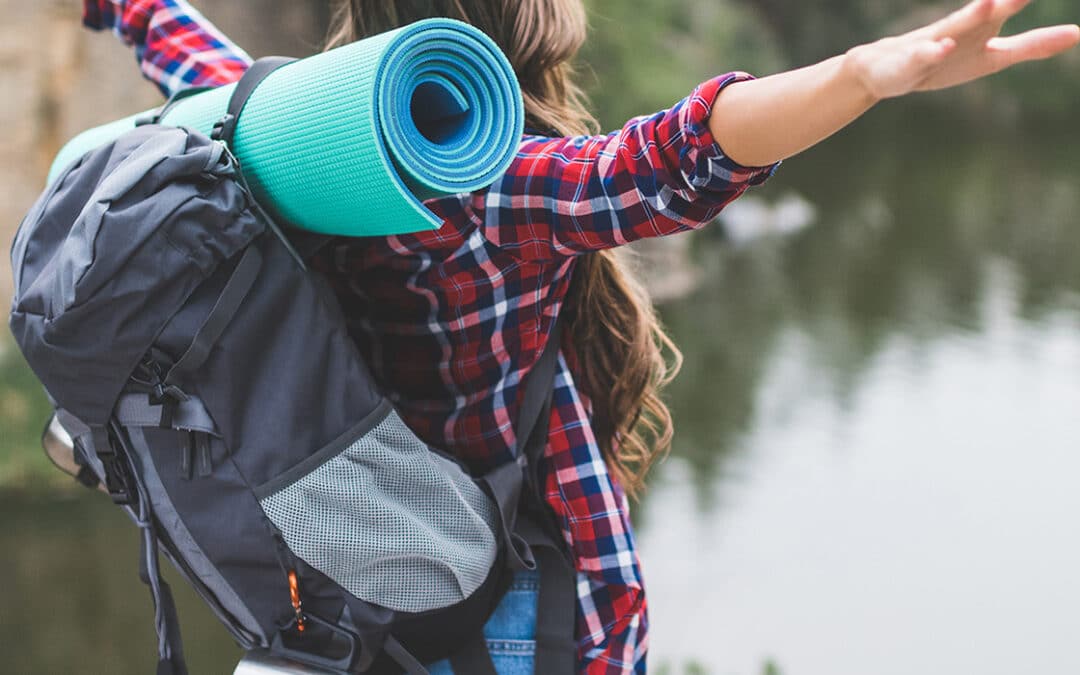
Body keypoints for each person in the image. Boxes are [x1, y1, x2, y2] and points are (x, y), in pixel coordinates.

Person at [80, 0, 1078, 672]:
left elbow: (189, 55)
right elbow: (664, 162)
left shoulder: (274, 130)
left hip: (356, 590)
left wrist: (127, 6)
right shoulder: (484, 184)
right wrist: (866, 74)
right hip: (521, 616)